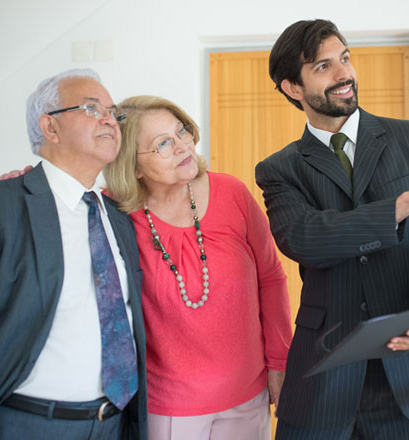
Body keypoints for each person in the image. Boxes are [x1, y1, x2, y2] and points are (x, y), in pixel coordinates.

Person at [255, 19, 409, 439]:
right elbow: (305, 238)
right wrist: (407, 202)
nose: (343, 74)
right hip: (322, 382)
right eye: (323, 66)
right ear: (293, 87)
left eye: (344, 58)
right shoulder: (279, 170)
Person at [0, 69, 147, 439]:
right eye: (91, 108)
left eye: (113, 112)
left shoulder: (119, 219)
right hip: (25, 424)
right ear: (50, 127)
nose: (109, 119)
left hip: (116, 425)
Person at [103, 95, 292, 440]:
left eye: (182, 132)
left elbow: (271, 277)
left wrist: (280, 362)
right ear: (134, 167)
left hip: (248, 393)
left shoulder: (231, 192)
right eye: (163, 143)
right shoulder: (115, 215)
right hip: (170, 405)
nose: (181, 146)